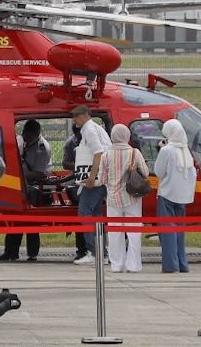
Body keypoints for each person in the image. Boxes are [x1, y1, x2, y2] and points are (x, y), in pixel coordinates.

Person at [97, 123, 148, 273]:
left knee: (114, 232)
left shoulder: (106, 155)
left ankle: (117, 264)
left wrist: (112, 186)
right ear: (127, 136)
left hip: (113, 199)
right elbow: (145, 172)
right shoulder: (135, 153)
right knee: (134, 231)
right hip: (132, 197)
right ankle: (134, 265)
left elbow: (102, 179)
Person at [0, 119, 49, 262]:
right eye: (24, 134)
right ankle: (10, 252)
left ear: (37, 134)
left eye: (29, 136)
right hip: (18, 185)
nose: (26, 138)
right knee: (13, 219)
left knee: (31, 222)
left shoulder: (42, 148)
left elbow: (39, 173)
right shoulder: (20, 141)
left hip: (34, 187)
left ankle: (32, 254)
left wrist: (18, 175)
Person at [151, 119, 195, 273]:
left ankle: (171, 265)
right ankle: (182, 264)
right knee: (179, 231)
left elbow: (158, 172)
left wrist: (161, 149)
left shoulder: (167, 150)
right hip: (183, 196)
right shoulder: (186, 149)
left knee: (167, 232)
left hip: (167, 194)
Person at [71, 106, 111, 266]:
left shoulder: (89, 130)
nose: (75, 120)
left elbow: (98, 152)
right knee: (95, 214)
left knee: (84, 212)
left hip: (96, 179)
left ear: (86, 115)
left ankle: (94, 252)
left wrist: (91, 177)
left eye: (77, 117)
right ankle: (103, 252)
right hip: (103, 177)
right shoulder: (96, 128)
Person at [63, 125, 88, 260]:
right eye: (77, 134)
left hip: (94, 182)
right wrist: (81, 165)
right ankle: (82, 249)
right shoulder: (70, 143)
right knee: (82, 216)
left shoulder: (94, 140)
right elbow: (65, 163)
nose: (79, 137)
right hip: (78, 182)